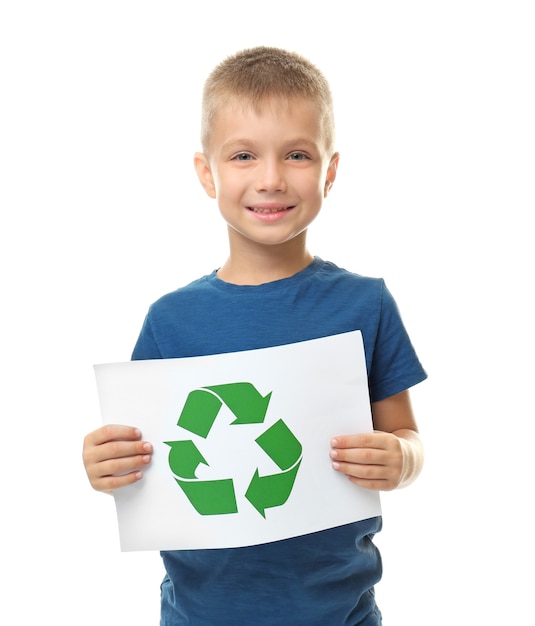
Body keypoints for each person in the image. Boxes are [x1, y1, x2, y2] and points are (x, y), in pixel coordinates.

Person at [82, 46, 427, 625]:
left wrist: (402, 459)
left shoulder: (365, 304)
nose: (270, 179)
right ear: (207, 173)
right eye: (243, 155)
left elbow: (407, 436)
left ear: (330, 172)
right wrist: (104, 465)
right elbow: (141, 460)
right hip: (199, 614)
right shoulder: (170, 320)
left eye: (296, 154)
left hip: (338, 613)